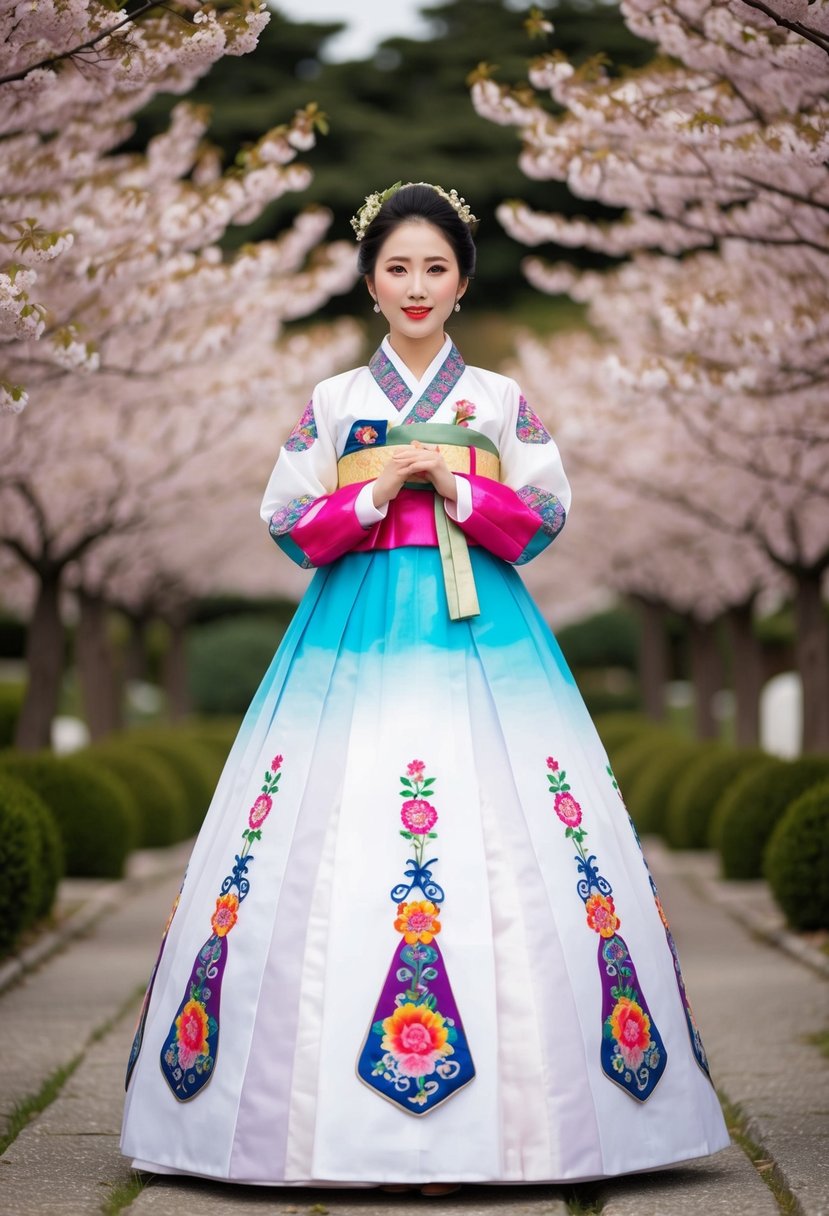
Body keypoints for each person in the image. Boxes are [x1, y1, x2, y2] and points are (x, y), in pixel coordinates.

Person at [121, 182, 730, 1192]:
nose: (415, 286)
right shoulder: (331, 404)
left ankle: (528, 1123)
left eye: (434, 268)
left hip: (483, 630)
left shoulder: (496, 399)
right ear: (369, 282)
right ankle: (314, 1123)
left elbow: (542, 514)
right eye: (396, 267)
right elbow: (285, 519)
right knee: (335, 834)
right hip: (352, 625)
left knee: (512, 843)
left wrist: (455, 486)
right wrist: (369, 494)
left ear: (460, 284)